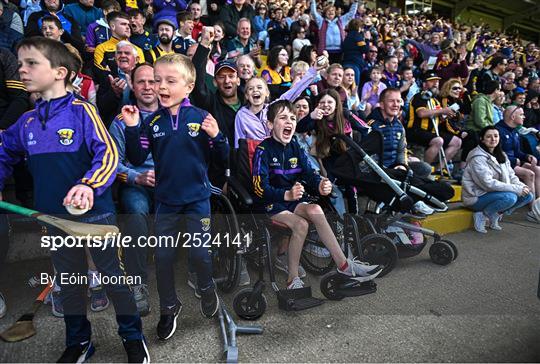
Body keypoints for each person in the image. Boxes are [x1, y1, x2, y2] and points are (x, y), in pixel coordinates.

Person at [0, 37, 148, 362]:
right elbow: (3, 153)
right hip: (53, 219)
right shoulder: (25, 122)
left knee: (113, 279)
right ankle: (79, 342)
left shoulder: (83, 112)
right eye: (20, 63)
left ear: (59, 72)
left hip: (95, 217)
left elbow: (107, 153)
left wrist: (88, 185)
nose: (21, 70)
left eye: (31, 63)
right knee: (70, 284)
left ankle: (132, 337)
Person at [121, 53, 229, 340]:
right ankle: (169, 306)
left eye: (170, 80)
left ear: (189, 86)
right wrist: (132, 130)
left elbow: (223, 159)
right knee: (164, 257)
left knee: (200, 255)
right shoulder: (152, 121)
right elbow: (135, 156)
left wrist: (218, 137)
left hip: (197, 199)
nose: (161, 87)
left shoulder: (202, 118)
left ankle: (207, 289)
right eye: (158, 81)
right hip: (166, 201)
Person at [252, 99, 382, 289]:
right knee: (301, 224)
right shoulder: (263, 150)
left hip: (293, 200)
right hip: (270, 203)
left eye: (292, 118)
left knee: (315, 209)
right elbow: (259, 188)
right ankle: (292, 279)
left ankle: (344, 265)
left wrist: (321, 183)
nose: (289, 122)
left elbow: (309, 173)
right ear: (270, 124)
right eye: (282, 118)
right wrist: (286, 195)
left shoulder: (295, 145)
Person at [109, 63, 158, 317]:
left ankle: (198, 273)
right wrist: (137, 177)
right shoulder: (121, 120)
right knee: (137, 215)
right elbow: (111, 163)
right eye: (141, 82)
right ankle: (138, 282)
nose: (148, 87)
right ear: (133, 86)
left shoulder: (172, 115)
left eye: (152, 81)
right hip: (134, 185)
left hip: (167, 185)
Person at [462, 126, 534, 233]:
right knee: (510, 197)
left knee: (528, 195)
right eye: (489, 137)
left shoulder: (501, 155)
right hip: (477, 197)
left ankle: (496, 213)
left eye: (496, 136)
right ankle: (482, 214)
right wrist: (516, 189)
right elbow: (488, 184)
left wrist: (522, 186)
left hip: (494, 194)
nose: (493, 139)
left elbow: (512, 176)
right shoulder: (477, 157)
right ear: (482, 139)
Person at [406, 70, 462, 171]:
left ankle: (438, 169)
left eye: (437, 81)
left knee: (456, 142)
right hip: (416, 130)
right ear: (424, 84)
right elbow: (421, 113)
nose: (436, 83)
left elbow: (437, 117)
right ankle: (424, 170)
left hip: (431, 131)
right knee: (438, 140)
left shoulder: (435, 100)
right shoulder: (420, 96)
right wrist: (443, 110)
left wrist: (445, 116)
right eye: (432, 81)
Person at [496, 105, 540, 198]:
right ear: (513, 117)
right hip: (502, 165)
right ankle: (532, 209)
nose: (524, 117)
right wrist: (513, 160)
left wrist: (527, 156)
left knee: (538, 170)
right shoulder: (497, 131)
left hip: (514, 163)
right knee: (529, 174)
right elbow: (495, 154)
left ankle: (538, 205)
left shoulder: (515, 131)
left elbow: (517, 152)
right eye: (521, 115)